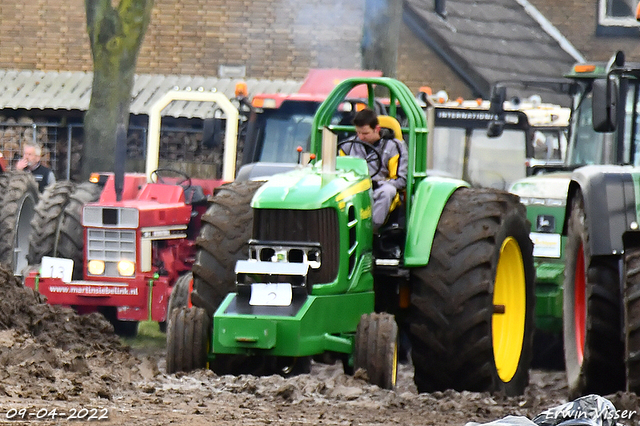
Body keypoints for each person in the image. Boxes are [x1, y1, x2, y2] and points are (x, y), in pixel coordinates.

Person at [339, 108, 408, 231]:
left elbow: (401, 180)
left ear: (377, 129)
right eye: (358, 133)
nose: (361, 137)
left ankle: (370, 229)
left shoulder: (394, 147)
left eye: (365, 133)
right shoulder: (347, 147)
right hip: (354, 191)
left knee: (388, 191)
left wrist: (377, 184)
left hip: (379, 190)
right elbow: (339, 173)